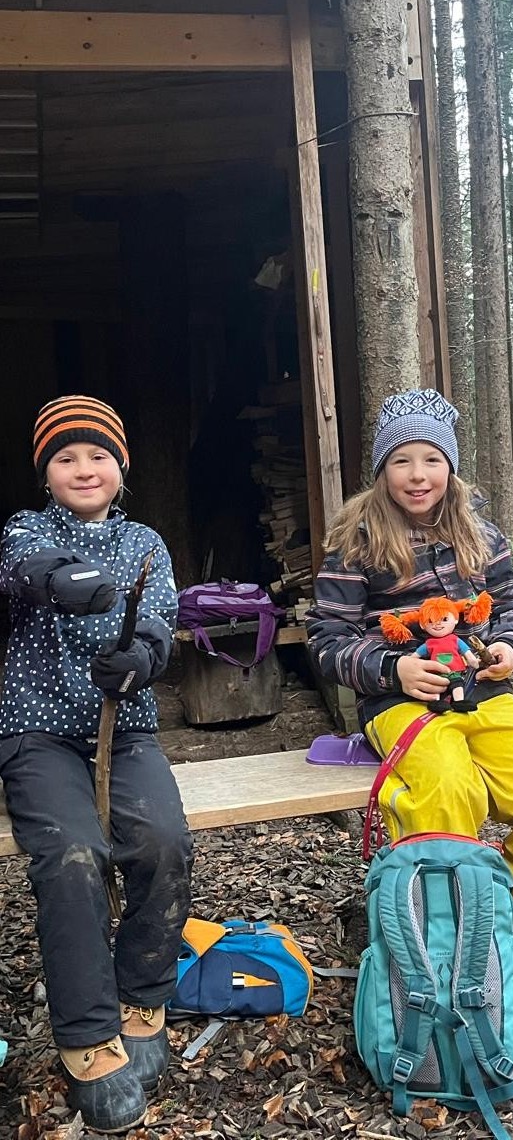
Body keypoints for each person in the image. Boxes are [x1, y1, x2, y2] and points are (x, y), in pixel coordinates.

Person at [307, 388, 513, 1019]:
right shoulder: (355, 542)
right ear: (382, 471)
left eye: (431, 460)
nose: (418, 475)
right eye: (401, 461)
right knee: (446, 790)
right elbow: (326, 641)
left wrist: (510, 647)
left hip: (484, 690)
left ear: (450, 467)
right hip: (398, 700)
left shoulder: (479, 533)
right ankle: (443, 942)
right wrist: (394, 669)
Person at [0, 396, 192, 1132]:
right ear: (45, 472)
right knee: (73, 855)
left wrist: (140, 658)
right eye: (66, 457)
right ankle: (86, 1037)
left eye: (98, 454)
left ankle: (143, 997)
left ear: (121, 466)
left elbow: (161, 622)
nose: (84, 468)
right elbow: (22, 568)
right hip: (37, 734)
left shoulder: (146, 542)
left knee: (164, 841)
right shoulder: (25, 530)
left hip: (127, 731)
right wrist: (63, 578)